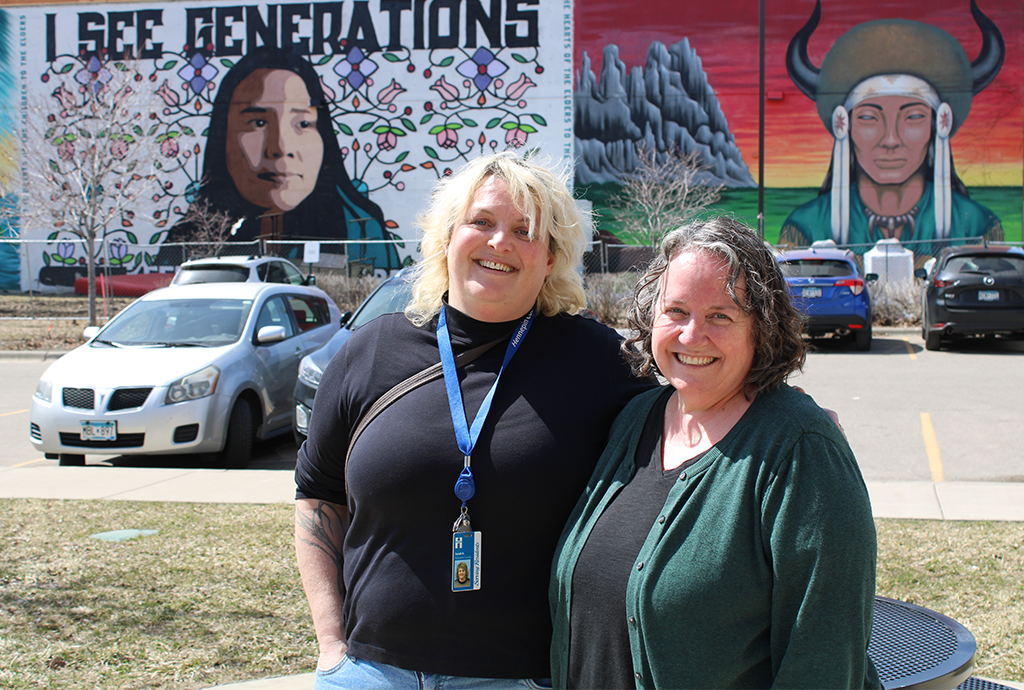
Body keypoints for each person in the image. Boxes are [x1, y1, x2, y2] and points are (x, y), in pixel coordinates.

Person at [293, 151, 656, 688]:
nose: (499, 242)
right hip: (370, 671)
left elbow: (691, 431)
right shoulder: (370, 351)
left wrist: (777, 414)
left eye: (524, 231)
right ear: (446, 238)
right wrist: (331, 645)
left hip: (517, 677)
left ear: (551, 258)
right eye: (480, 222)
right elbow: (318, 494)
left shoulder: (598, 361)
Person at [550, 217, 880, 689]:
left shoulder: (800, 450)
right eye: (676, 311)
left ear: (762, 327)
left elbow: (824, 659)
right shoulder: (635, 418)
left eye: (720, 316)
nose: (691, 335)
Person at [781, 0, 1005, 266]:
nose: (891, 140)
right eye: (868, 117)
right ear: (843, 125)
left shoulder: (977, 225)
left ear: (939, 123)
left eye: (913, 117)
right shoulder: (806, 226)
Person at [165, 46, 401, 271]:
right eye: (258, 123)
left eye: (303, 124)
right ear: (223, 136)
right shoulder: (190, 236)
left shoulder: (362, 229)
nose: (280, 147)